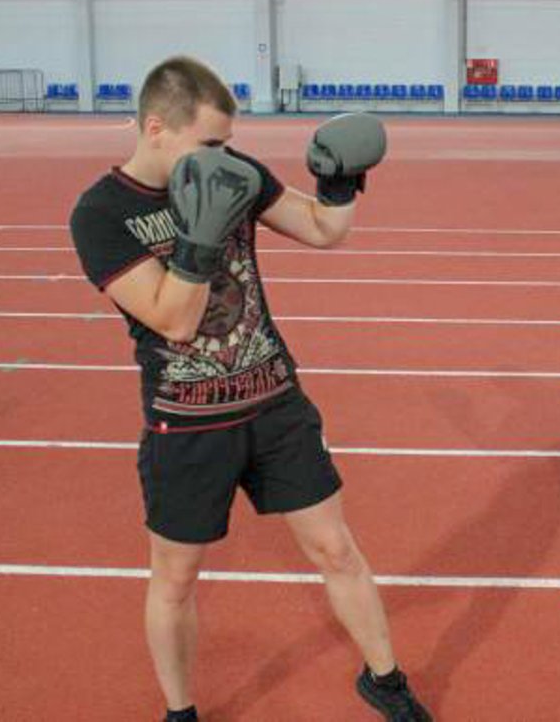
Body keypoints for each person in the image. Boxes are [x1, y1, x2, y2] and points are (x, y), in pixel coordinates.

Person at [68, 55, 431, 722]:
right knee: (176, 579)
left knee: (336, 548)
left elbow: (322, 229)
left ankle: (384, 678)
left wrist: (337, 183)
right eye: (209, 142)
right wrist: (199, 240)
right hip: (187, 421)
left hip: (274, 402)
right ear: (157, 128)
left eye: (227, 142)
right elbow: (175, 320)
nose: (223, 155)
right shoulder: (102, 213)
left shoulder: (235, 171)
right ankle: (180, 712)